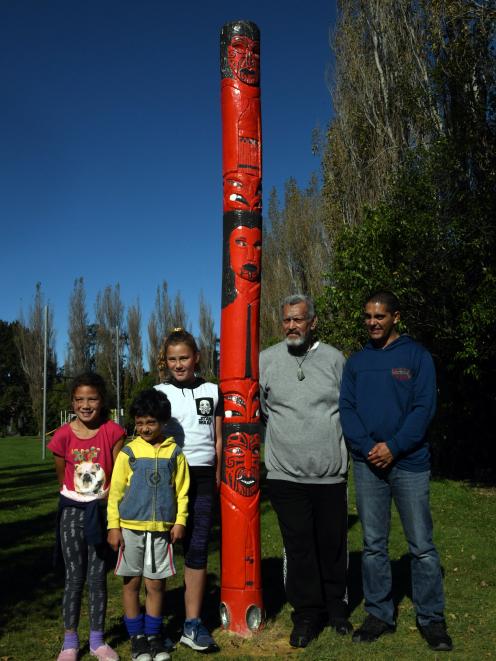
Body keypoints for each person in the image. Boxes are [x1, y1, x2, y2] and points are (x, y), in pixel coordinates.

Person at [339, 291, 453, 652]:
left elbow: (424, 408)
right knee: (374, 545)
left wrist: (395, 447)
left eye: (380, 316)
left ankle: (431, 618)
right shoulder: (356, 362)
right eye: (368, 316)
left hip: (410, 464)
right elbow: (347, 408)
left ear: (396, 318)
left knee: (421, 546)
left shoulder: (416, 356)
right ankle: (379, 614)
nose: (373, 322)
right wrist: (369, 448)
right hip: (368, 464)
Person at [259, 294, 351, 648]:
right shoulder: (266, 360)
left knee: (332, 545)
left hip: (329, 474)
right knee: (299, 548)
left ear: (312, 322)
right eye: (286, 320)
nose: (291, 326)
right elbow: (264, 411)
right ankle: (307, 614)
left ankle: (337, 609)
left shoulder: (334, 360)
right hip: (285, 475)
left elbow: (346, 407)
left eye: (298, 320)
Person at [48, 372, 126, 661]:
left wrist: (107, 500)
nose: (85, 404)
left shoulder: (114, 431)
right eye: (79, 399)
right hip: (72, 511)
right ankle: (69, 642)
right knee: (74, 577)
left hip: (102, 513)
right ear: (72, 402)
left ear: (102, 400)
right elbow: (61, 474)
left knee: (96, 578)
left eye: (92, 398)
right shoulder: (62, 435)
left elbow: (118, 474)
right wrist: (75, 495)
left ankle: (97, 640)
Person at [107, 389, 189, 661]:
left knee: (155, 586)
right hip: (129, 529)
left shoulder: (175, 453)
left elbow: (182, 492)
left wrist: (179, 521)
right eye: (139, 423)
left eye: (150, 422)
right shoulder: (128, 453)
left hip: (161, 532)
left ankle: (154, 635)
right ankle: (137, 639)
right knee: (131, 584)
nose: (144, 428)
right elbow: (115, 493)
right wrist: (114, 526)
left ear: (163, 422)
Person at [155, 329, 222, 653]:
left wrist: (220, 475)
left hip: (205, 478)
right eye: (172, 359)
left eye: (184, 358)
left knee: (197, 550)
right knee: (162, 552)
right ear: (165, 362)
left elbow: (219, 439)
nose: (178, 365)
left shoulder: (213, 390)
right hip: (168, 479)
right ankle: (156, 626)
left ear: (196, 357)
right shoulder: (159, 392)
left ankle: (192, 625)